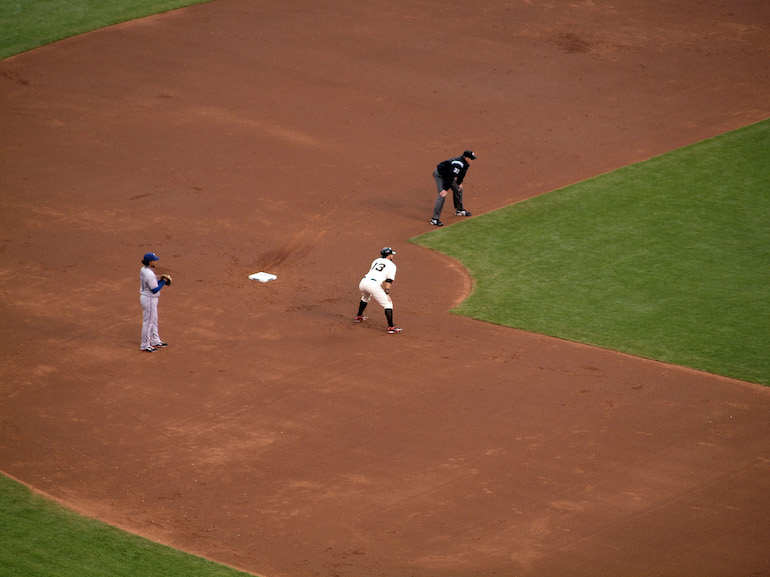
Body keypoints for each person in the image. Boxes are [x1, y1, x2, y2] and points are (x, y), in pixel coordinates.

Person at [355, 247, 403, 334]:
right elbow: (389, 280)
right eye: (392, 254)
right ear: (389, 255)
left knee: (365, 298)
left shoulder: (376, 260)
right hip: (373, 285)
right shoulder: (392, 266)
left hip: (363, 282)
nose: (392, 256)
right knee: (388, 303)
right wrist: (387, 293)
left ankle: (359, 316)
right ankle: (391, 327)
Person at [430, 149, 477, 226]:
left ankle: (460, 210)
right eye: (471, 158)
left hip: (448, 175)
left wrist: (459, 183)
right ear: (466, 158)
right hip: (440, 174)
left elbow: (462, 174)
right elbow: (450, 177)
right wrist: (445, 189)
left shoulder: (466, 163)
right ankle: (434, 219)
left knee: (459, 189)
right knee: (442, 195)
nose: (472, 160)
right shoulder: (458, 164)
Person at [139, 252, 170, 352]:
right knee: (148, 323)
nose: (156, 262)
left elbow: (152, 284)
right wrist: (163, 282)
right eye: (154, 260)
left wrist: (161, 280)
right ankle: (145, 345)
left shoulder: (144, 269)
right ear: (150, 262)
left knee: (154, 320)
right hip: (149, 299)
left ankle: (155, 340)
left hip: (148, 297)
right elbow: (154, 289)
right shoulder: (149, 274)